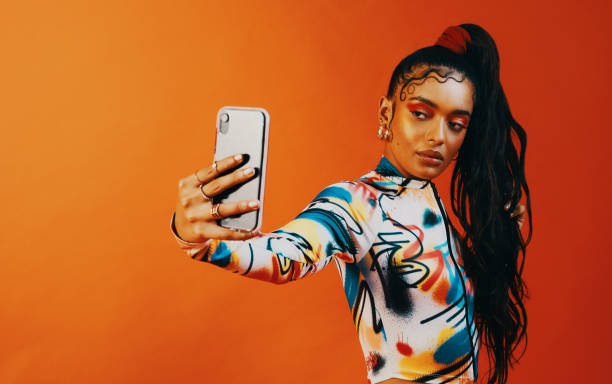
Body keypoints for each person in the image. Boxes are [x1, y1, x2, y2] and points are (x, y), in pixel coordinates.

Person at [170, 23, 532, 384]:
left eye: (456, 124)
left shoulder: (434, 213)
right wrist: (201, 240)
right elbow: (286, 256)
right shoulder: (357, 203)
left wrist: (504, 241)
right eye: (421, 114)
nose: (438, 136)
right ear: (386, 114)